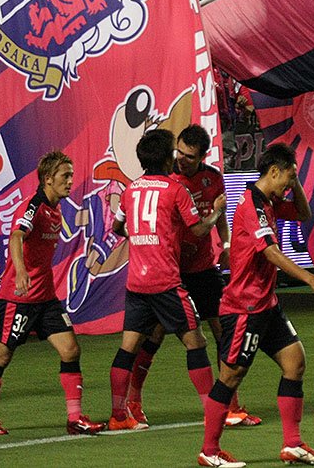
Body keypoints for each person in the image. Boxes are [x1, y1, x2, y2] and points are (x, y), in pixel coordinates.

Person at [199, 143, 314, 468]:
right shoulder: (252, 205)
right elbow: (270, 252)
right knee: (230, 377)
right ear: (273, 172)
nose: (290, 184)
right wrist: (312, 280)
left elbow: (303, 214)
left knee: (295, 362)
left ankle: (292, 444)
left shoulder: (269, 202)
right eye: (289, 177)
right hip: (245, 308)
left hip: (266, 304)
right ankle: (209, 450)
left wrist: (295, 180)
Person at [127, 125, 260, 428]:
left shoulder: (213, 178)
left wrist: (226, 245)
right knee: (154, 336)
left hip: (202, 268)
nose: (182, 160)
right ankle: (134, 401)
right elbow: (200, 223)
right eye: (179, 153)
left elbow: (220, 216)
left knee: (222, 332)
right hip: (170, 270)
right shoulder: (167, 180)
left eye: (189, 156)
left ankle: (231, 405)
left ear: (202, 156)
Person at [108, 129, 226, 431]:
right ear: (166, 158)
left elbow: (118, 227)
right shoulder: (175, 190)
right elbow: (198, 230)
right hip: (166, 282)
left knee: (128, 348)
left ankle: (119, 415)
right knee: (196, 342)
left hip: (137, 283)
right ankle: (213, 411)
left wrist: (140, 239)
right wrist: (215, 214)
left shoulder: (131, 189)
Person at [0, 151, 106, 436]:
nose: (70, 181)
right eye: (65, 176)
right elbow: (16, 236)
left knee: (71, 349)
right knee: (1, 356)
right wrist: (20, 271)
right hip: (20, 298)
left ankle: (75, 418)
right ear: (48, 179)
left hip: (46, 297)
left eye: (71, 175)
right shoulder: (33, 206)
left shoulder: (55, 209)